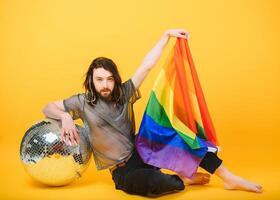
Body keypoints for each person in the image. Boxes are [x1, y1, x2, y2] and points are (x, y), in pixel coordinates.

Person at [42, 29, 262, 196]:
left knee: (183, 136)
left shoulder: (124, 92)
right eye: (99, 80)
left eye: (109, 79)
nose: (105, 85)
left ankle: (229, 178)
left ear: (115, 80)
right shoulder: (82, 102)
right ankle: (184, 179)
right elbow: (47, 107)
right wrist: (63, 116)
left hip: (143, 149)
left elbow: (146, 66)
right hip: (122, 171)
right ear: (91, 80)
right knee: (154, 184)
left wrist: (166, 36)